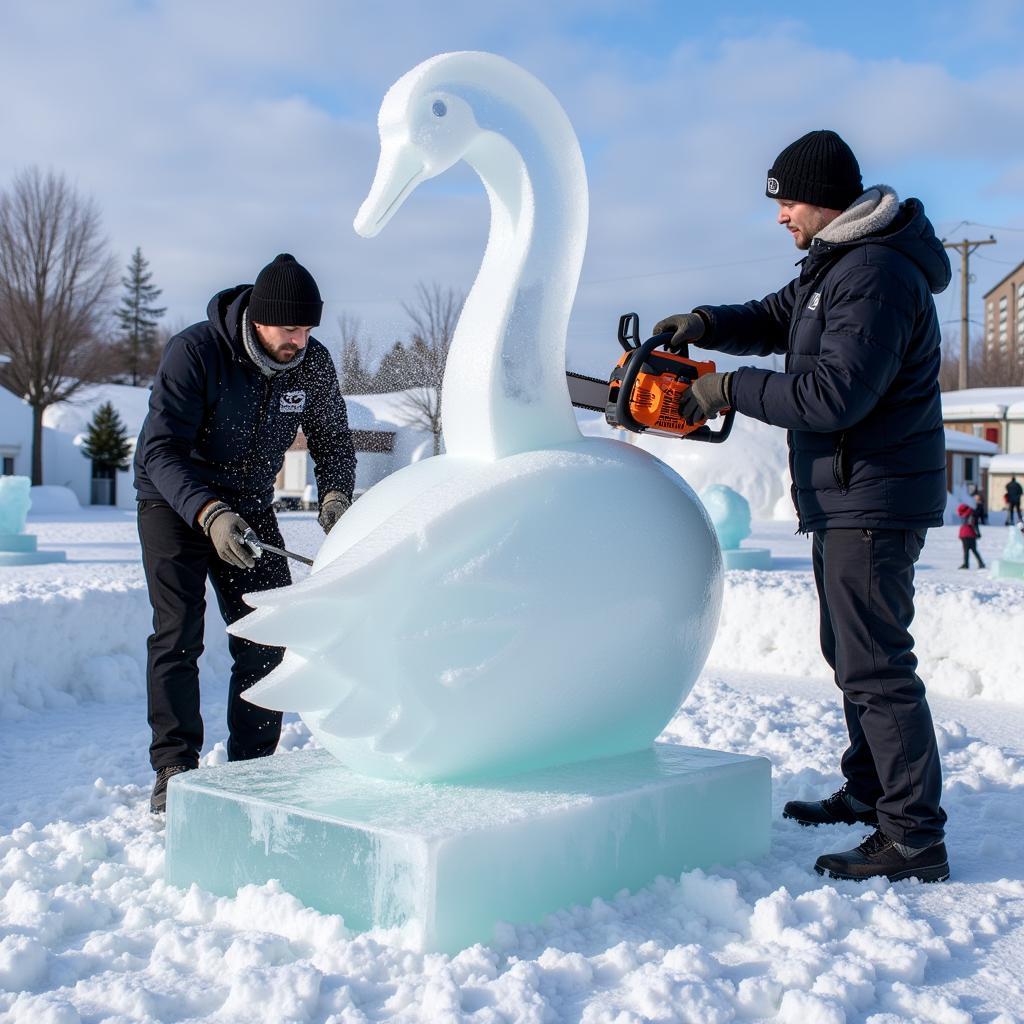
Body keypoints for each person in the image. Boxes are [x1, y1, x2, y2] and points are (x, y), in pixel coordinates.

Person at [654, 130, 950, 883]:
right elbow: (774, 313)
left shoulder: (876, 273)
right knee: (852, 655)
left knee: (877, 665)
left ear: (825, 199)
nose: (780, 215)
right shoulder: (838, 265)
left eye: (787, 201)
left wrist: (728, 389)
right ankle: (871, 791)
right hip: (846, 493)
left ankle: (913, 835)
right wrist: (707, 323)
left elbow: (832, 395)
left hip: (871, 496)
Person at [134, 254, 357, 813]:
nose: (299, 340)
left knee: (266, 633)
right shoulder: (196, 352)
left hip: (249, 501)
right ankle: (175, 769)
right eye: (290, 328)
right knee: (178, 633)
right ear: (258, 319)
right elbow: (160, 450)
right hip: (173, 499)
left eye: (308, 329)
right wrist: (208, 513)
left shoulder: (311, 363)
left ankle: (252, 770)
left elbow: (332, 440)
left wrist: (335, 495)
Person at [957, 502, 985, 569]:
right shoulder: (971, 514)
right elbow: (974, 524)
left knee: (966, 550)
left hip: (963, 534)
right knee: (974, 550)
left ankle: (966, 564)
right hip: (971, 534)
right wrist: (978, 533)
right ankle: (981, 563)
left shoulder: (962, 514)